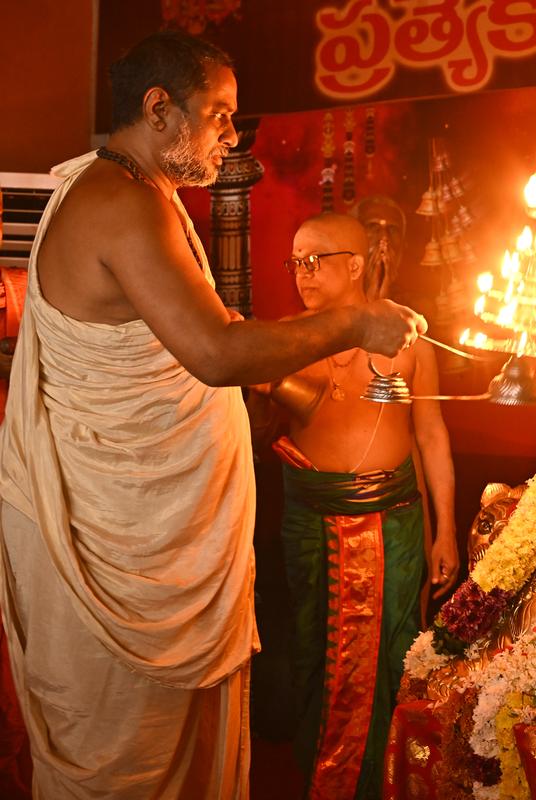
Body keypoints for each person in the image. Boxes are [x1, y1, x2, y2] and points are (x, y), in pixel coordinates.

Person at [0, 31, 425, 799]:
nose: (232, 134)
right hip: (118, 549)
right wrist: (357, 324)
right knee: (123, 765)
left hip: (151, 537)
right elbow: (218, 354)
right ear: (159, 109)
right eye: (221, 115)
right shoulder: (121, 203)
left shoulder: (142, 194)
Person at [252, 213, 458, 799]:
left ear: (357, 264)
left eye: (317, 259)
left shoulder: (405, 339)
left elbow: (432, 435)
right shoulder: (286, 338)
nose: (303, 273)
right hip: (310, 520)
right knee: (317, 654)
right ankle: (323, 782)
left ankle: (387, 786)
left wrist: (446, 531)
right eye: (295, 261)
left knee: (393, 657)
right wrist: (261, 386)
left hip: (391, 520)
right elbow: (255, 431)